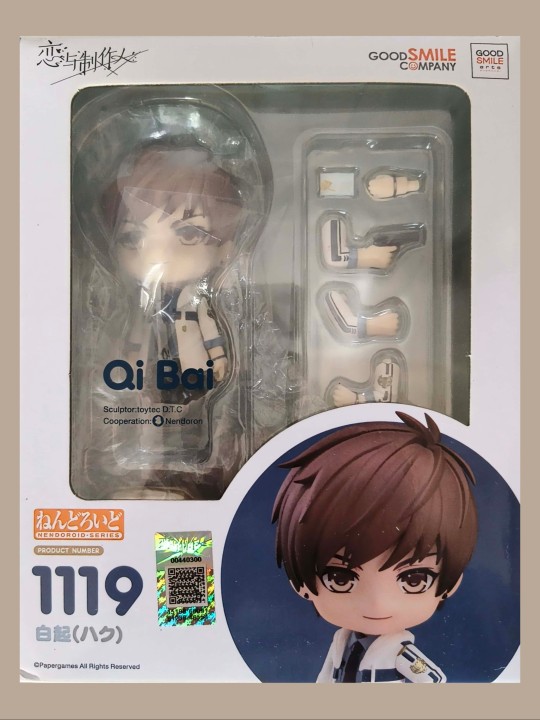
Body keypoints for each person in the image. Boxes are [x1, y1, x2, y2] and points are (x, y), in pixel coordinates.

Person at [272, 411, 478, 683]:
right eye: (339, 578)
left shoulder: (402, 653)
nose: (377, 603)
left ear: (450, 584)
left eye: (414, 579)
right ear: (300, 584)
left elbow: (434, 681)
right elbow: (325, 678)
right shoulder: (341, 642)